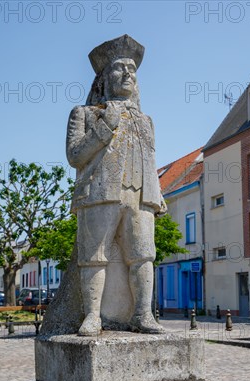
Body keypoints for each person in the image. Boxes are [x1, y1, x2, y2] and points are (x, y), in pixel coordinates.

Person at [66, 35, 166, 336]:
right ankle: (93, 316)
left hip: (140, 196)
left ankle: (142, 315)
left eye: (132, 70)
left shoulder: (146, 120)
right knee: (94, 255)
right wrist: (105, 125)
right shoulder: (84, 114)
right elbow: (75, 155)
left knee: (143, 255)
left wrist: (157, 195)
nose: (127, 74)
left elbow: (150, 159)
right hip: (99, 193)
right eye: (119, 68)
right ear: (103, 78)